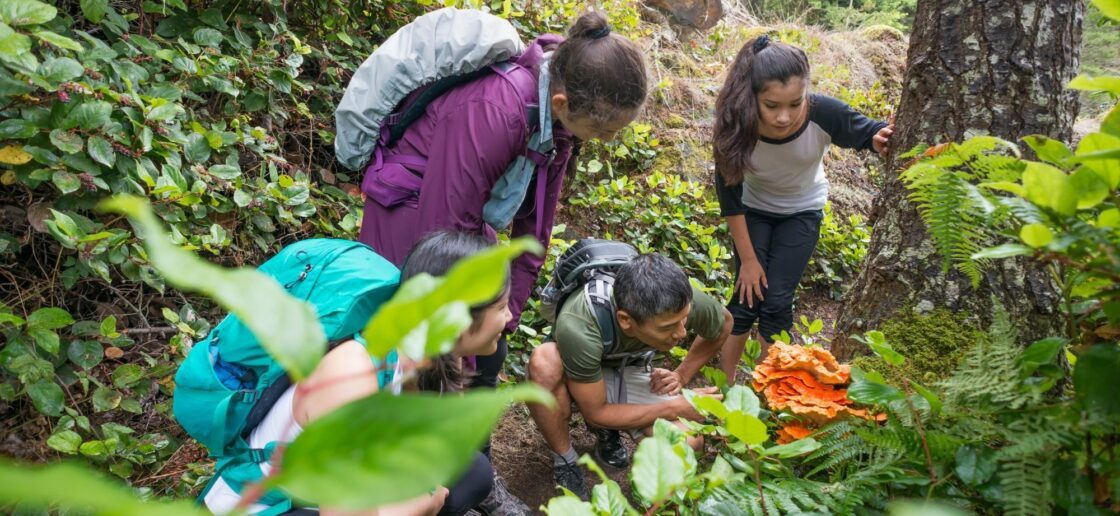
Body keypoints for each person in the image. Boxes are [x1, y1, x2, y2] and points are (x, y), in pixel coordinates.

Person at [356, 11, 649, 395]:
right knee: (416, 357)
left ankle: (468, 444)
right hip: (409, 218)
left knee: (490, 353)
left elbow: (535, 233)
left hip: (465, 223)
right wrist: (464, 338)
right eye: (602, 130)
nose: (606, 140)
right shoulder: (497, 109)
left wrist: (503, 319)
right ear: (562, 103)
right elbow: (443, 232)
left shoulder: (556, 124)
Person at [203, 231, 528, 515]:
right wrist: (419, 507)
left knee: (469, 472)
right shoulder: (354, 376)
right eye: (500, 307)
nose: (509, 315)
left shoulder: (426, 356)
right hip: (269, 505)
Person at [711, 35, 894, 381]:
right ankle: (723, 386)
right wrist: (748, 261)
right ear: (752, 97)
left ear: (806, 93)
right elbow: (730, 200)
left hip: (802, 211)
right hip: (752, 211)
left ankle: (770, 390)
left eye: (795, 104)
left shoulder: (823, 112)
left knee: (777, 302)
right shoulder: (735, 126)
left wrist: (882, 136)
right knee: (746, 297)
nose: (784, 116)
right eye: (772, 105)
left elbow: (867, 132)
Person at [526, 253, 732, 500]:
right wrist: (675, 407)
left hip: (628, 366)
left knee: (689, 442)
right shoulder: (580, 323)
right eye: (667, 327)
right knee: (544, 362)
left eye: (684, 320)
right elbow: (597, 412)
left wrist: (682, 374)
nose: (681, 333)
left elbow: (724, 324)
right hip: (577, 370)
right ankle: (566, 461)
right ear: (625, 320)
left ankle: (614, 440)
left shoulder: (676, 300)